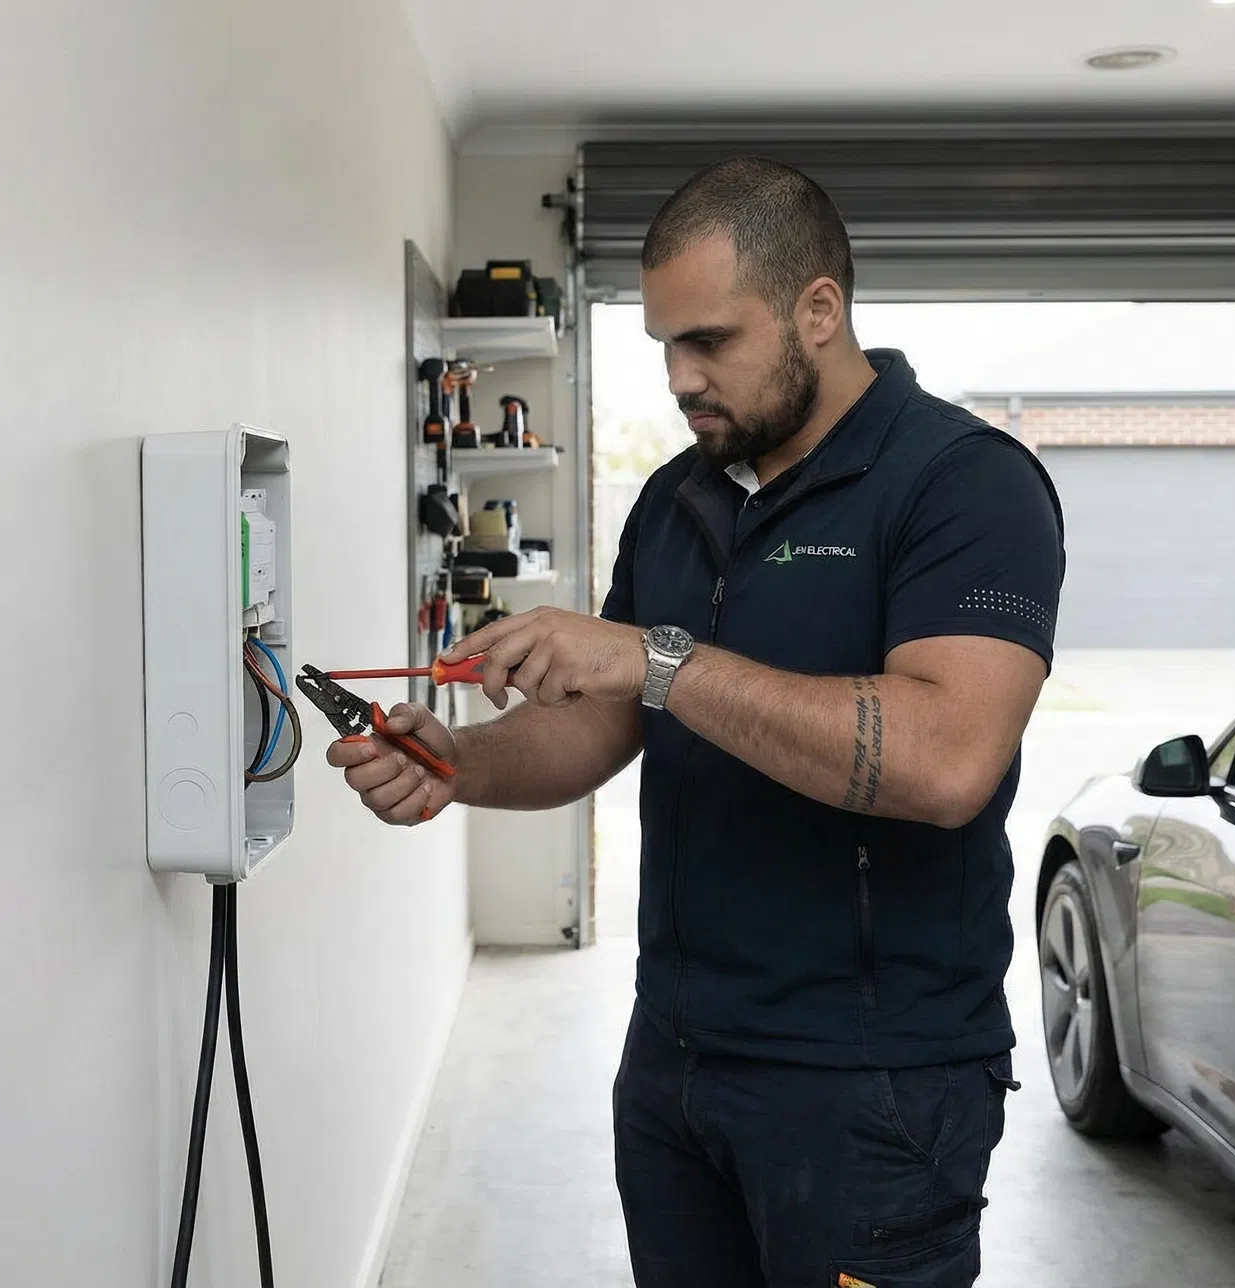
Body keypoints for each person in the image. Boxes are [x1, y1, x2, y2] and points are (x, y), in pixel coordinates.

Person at [327, 156, 1065, 1288]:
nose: (681, 377)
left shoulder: (964, 483)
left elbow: (946, 758)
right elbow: (607, 726)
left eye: (710, 340)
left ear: (820, 309)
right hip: (673, 1056)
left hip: (871, 1085)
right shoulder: (681, 498)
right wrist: (457, 762)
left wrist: (655, 657)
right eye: (666, 346)